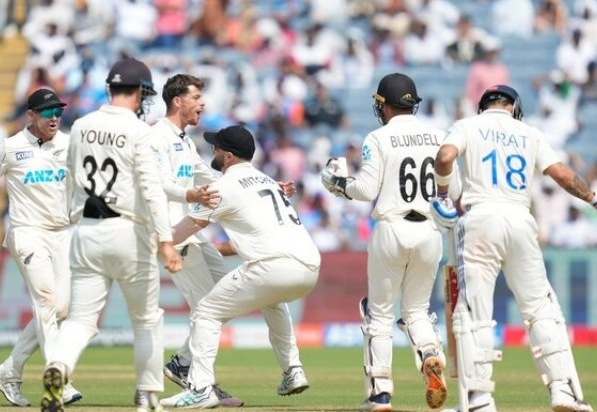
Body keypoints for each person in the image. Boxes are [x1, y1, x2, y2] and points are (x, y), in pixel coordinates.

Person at [432, 84, 595, 412]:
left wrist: (442, 192)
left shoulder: (467, 125)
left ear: (483, 107)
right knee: (540, 309)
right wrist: (592, 198)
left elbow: (445, 157)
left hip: (480, 220)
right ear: (514, 108)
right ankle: (562, 390)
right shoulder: (528, 132)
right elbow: (561, 175)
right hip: (521, 220)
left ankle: (480, 399)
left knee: (477, 313)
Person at [40, 57, 182, 412]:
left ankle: (58, 368)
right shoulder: (141, 132)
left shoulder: (82, 126)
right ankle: (148, 398)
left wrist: (76, 221)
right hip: (128, 232)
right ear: (140, 93)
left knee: (80, 320)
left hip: (86, 232)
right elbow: (151, 189)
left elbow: (71, 179)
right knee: (147, 320)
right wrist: (166, 241)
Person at [159, 125, 320, 409]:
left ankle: (199, 388)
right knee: (273, 301)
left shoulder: (222, 187)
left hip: (273, 265)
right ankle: (293, 370)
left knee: (207, 313)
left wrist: (157, 242)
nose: (214, 151)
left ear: (229, 156)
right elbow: (254, 238)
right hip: (309, 266)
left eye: (217, 148)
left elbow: (187, 228)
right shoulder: (268, 181)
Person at [320, 73, 452, 412]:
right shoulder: (439, 136)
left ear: (384, 105)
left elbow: (364, 189)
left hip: (392, 228)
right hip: (429, 231)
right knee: (417, 311)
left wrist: (337, 183)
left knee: (379, 314)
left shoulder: (378, 137)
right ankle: (431, 354)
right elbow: (456, 190)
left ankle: (380, 392)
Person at [151, 73, 244, 407]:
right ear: (178, 101)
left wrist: (260, 184)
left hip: (194, 234)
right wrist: (190, 193)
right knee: (208, 309)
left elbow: (209, 176)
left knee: (232, 297)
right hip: (174, 235)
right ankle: (202, 384)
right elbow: (156, 184)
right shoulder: (156, 137)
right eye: (196, 97)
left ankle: (183, 363)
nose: (202, 104)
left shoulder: (184, 140)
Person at [0, 89, 82, 408]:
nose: (54, 118)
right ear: (31, 115)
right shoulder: (11, 147)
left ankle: (9, 370)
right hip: (27, 231)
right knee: (46, 301)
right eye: (47, 113)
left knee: (60, 308)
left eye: (58, 112)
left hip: (62, 233)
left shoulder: (68, 144)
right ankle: (59, 380)